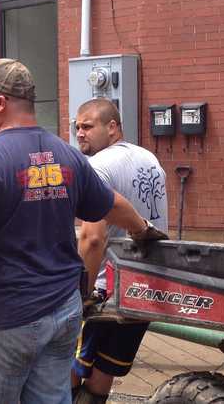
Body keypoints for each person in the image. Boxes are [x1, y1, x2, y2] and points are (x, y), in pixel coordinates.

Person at [0, 58, 165, 404]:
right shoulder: (67, 156)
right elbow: (111, 203)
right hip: (62, 314)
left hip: (5, 317)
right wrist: (142, 230)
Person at [71, 98, 170, 404]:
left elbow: (92, 238)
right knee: (103, 375)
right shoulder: (149, 159)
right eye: (77, 128)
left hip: (104, 290)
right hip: (143, 288)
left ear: (112, 127)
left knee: (66, 372)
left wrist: (82, 295)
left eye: (88, 126)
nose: (80, 134)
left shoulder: (96, 167)